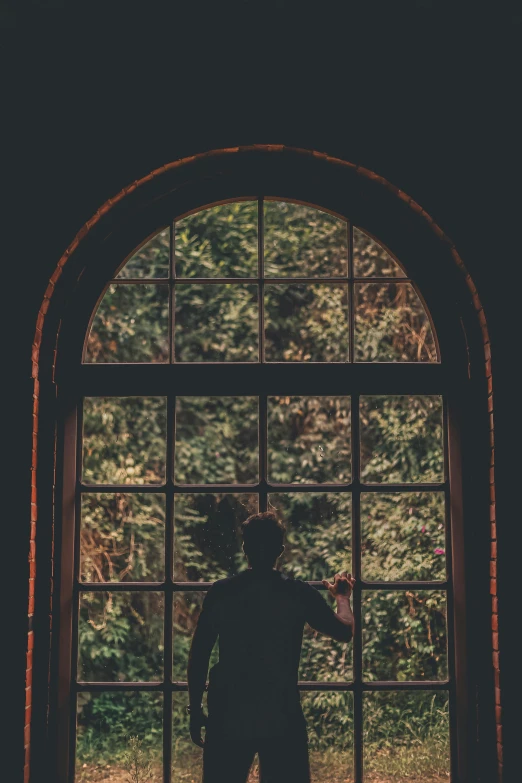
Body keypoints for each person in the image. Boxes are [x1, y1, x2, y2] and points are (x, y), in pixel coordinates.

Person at [187, 510, 355, 783]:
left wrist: (195, 710)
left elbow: (200, 655)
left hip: (229, 709)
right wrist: (343, 598)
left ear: (245, 549)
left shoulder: (223, 592)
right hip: (281, 711)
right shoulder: (297, 594)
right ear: (280, 550)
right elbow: (344, 631)